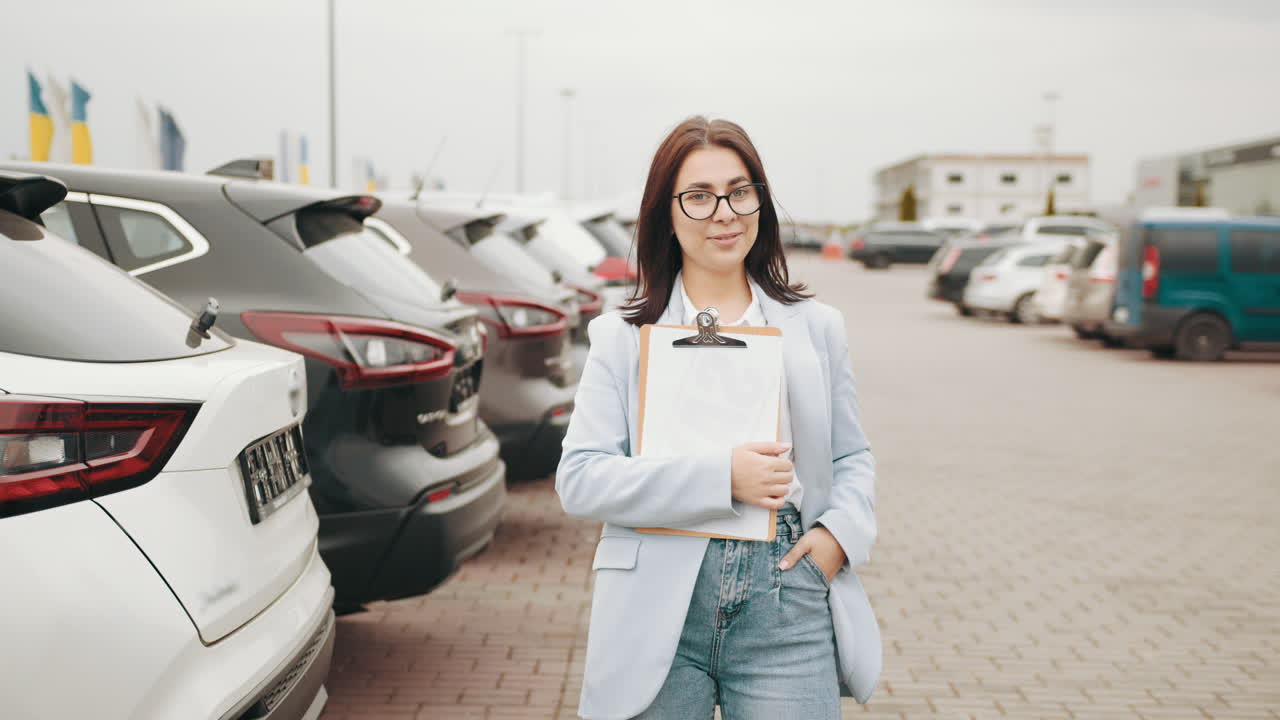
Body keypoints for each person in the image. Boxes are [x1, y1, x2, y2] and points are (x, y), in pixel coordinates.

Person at [556, 116, 879, 719]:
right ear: (666, 213)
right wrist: (721, 478)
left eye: (739, 191)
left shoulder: (815, 328)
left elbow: (850, 456)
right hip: (654, 599)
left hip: (785, 594)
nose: (724, 212)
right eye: (699, 197)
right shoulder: (623, 338)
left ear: (760, 201)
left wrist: (837, 538)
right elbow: (580, 479)